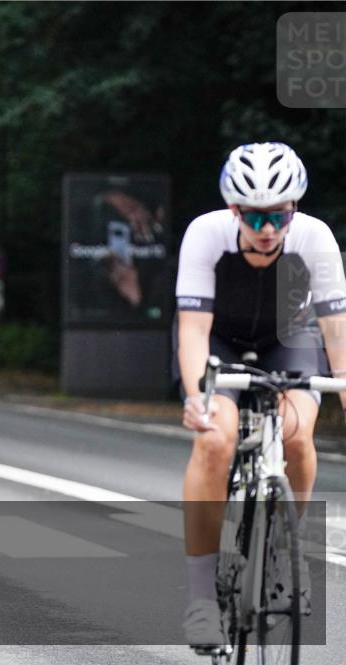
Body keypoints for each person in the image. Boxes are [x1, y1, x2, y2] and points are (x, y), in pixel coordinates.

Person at [175, 142, 346, 647]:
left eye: (279, 215)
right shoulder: (206, 234)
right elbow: (192, 330)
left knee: (296, 434)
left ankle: (287, 547)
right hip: (217, 339)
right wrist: (197, 398)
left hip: (289, 337)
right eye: (254, 216)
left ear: (294, 209)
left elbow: (336, 332)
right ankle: (201, 600)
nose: (267, 228)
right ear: (234, 209)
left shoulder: (314, 237)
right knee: (215, 438)